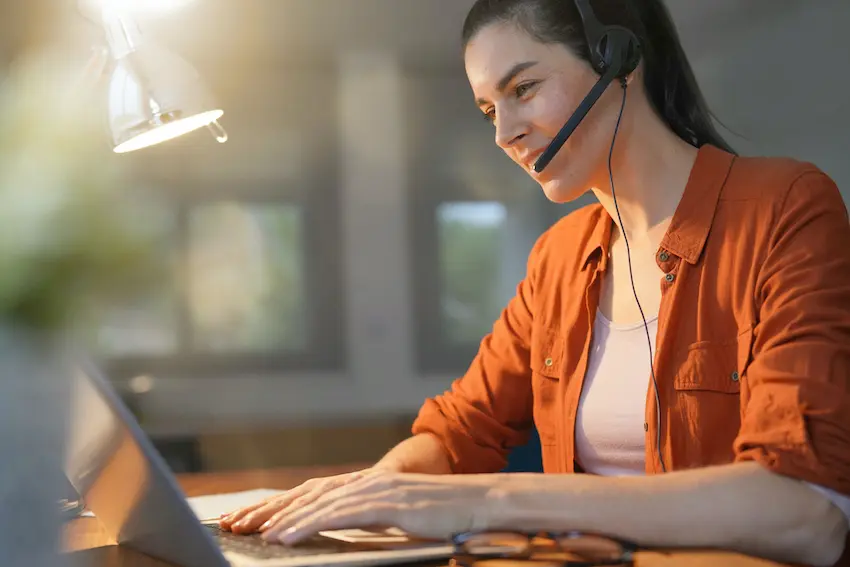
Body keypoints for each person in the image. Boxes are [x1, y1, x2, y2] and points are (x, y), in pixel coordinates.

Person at [220, 0, 850, 565]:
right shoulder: (560, 257)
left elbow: (805, 510)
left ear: (619, 58)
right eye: (489, 108)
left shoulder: (785, 209)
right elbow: (458, 432)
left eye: (524, 87)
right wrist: (372, 493)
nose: (503, 133)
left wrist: (499, 500)